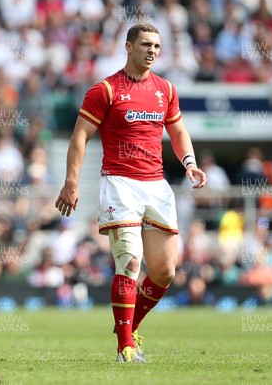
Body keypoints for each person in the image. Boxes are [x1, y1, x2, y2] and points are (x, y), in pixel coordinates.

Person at [54, 23, 207, 363]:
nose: (152, 51)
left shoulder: (165, 89)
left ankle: (129, 326)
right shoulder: (105, 90)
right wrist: (72, 181)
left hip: (156, 185)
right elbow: (80, 136)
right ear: (128, 47)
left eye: (157, 45)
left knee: (165, 271)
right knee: (130, 263)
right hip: (119, 184)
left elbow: (178, 130)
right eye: (146, 44)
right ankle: (125, 347)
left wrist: (189, 163)